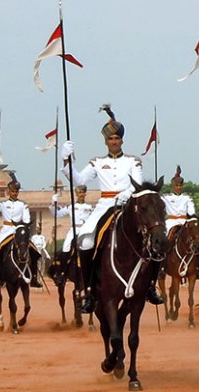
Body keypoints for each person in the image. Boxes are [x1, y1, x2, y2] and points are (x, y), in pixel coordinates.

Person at [60, 105, 163, 313]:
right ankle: (88, 290)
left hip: (127, 206)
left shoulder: (132, 161)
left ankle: (150, 286)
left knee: (153, 239)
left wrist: (126, 195)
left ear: (121, 140)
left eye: (117, 139)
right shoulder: (97, 162)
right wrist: (66, 160)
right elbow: (79, 179)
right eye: (110, 139)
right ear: (106, 142)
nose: (114, 142)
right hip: (104, 207)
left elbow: (139, 183)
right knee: (86, 241)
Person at [0, 172, 36, 289]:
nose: (14, 193)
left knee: (35, 251)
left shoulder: (23, 205)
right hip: (6, 230)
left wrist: (22, 226)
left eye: (16, 192)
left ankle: (34, 276)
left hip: (19, 231)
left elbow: (26, 219)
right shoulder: (3, 204)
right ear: (9, 192)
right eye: (13, 191)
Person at [162, 165, 199, 279]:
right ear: (173, 186)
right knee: (164, 240)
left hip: (184, 221)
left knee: (197, 241)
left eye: (180, 185)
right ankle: (162, 265)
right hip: (171, 221)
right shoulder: (166, 197)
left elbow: (191, 212)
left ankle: (196, 268)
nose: (179, 187)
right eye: (177, 185)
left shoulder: (187, 198)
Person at [50, 184, 94, 255]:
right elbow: (57, 214)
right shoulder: (71, 206)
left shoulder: (90, 207)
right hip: (74, 229)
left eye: (83, 192)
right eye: (80, 192)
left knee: (90, 247)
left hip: (85, 230)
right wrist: (53, 202)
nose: (82, 194)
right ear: (76, 194)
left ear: (85, 193)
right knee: (66, 247)